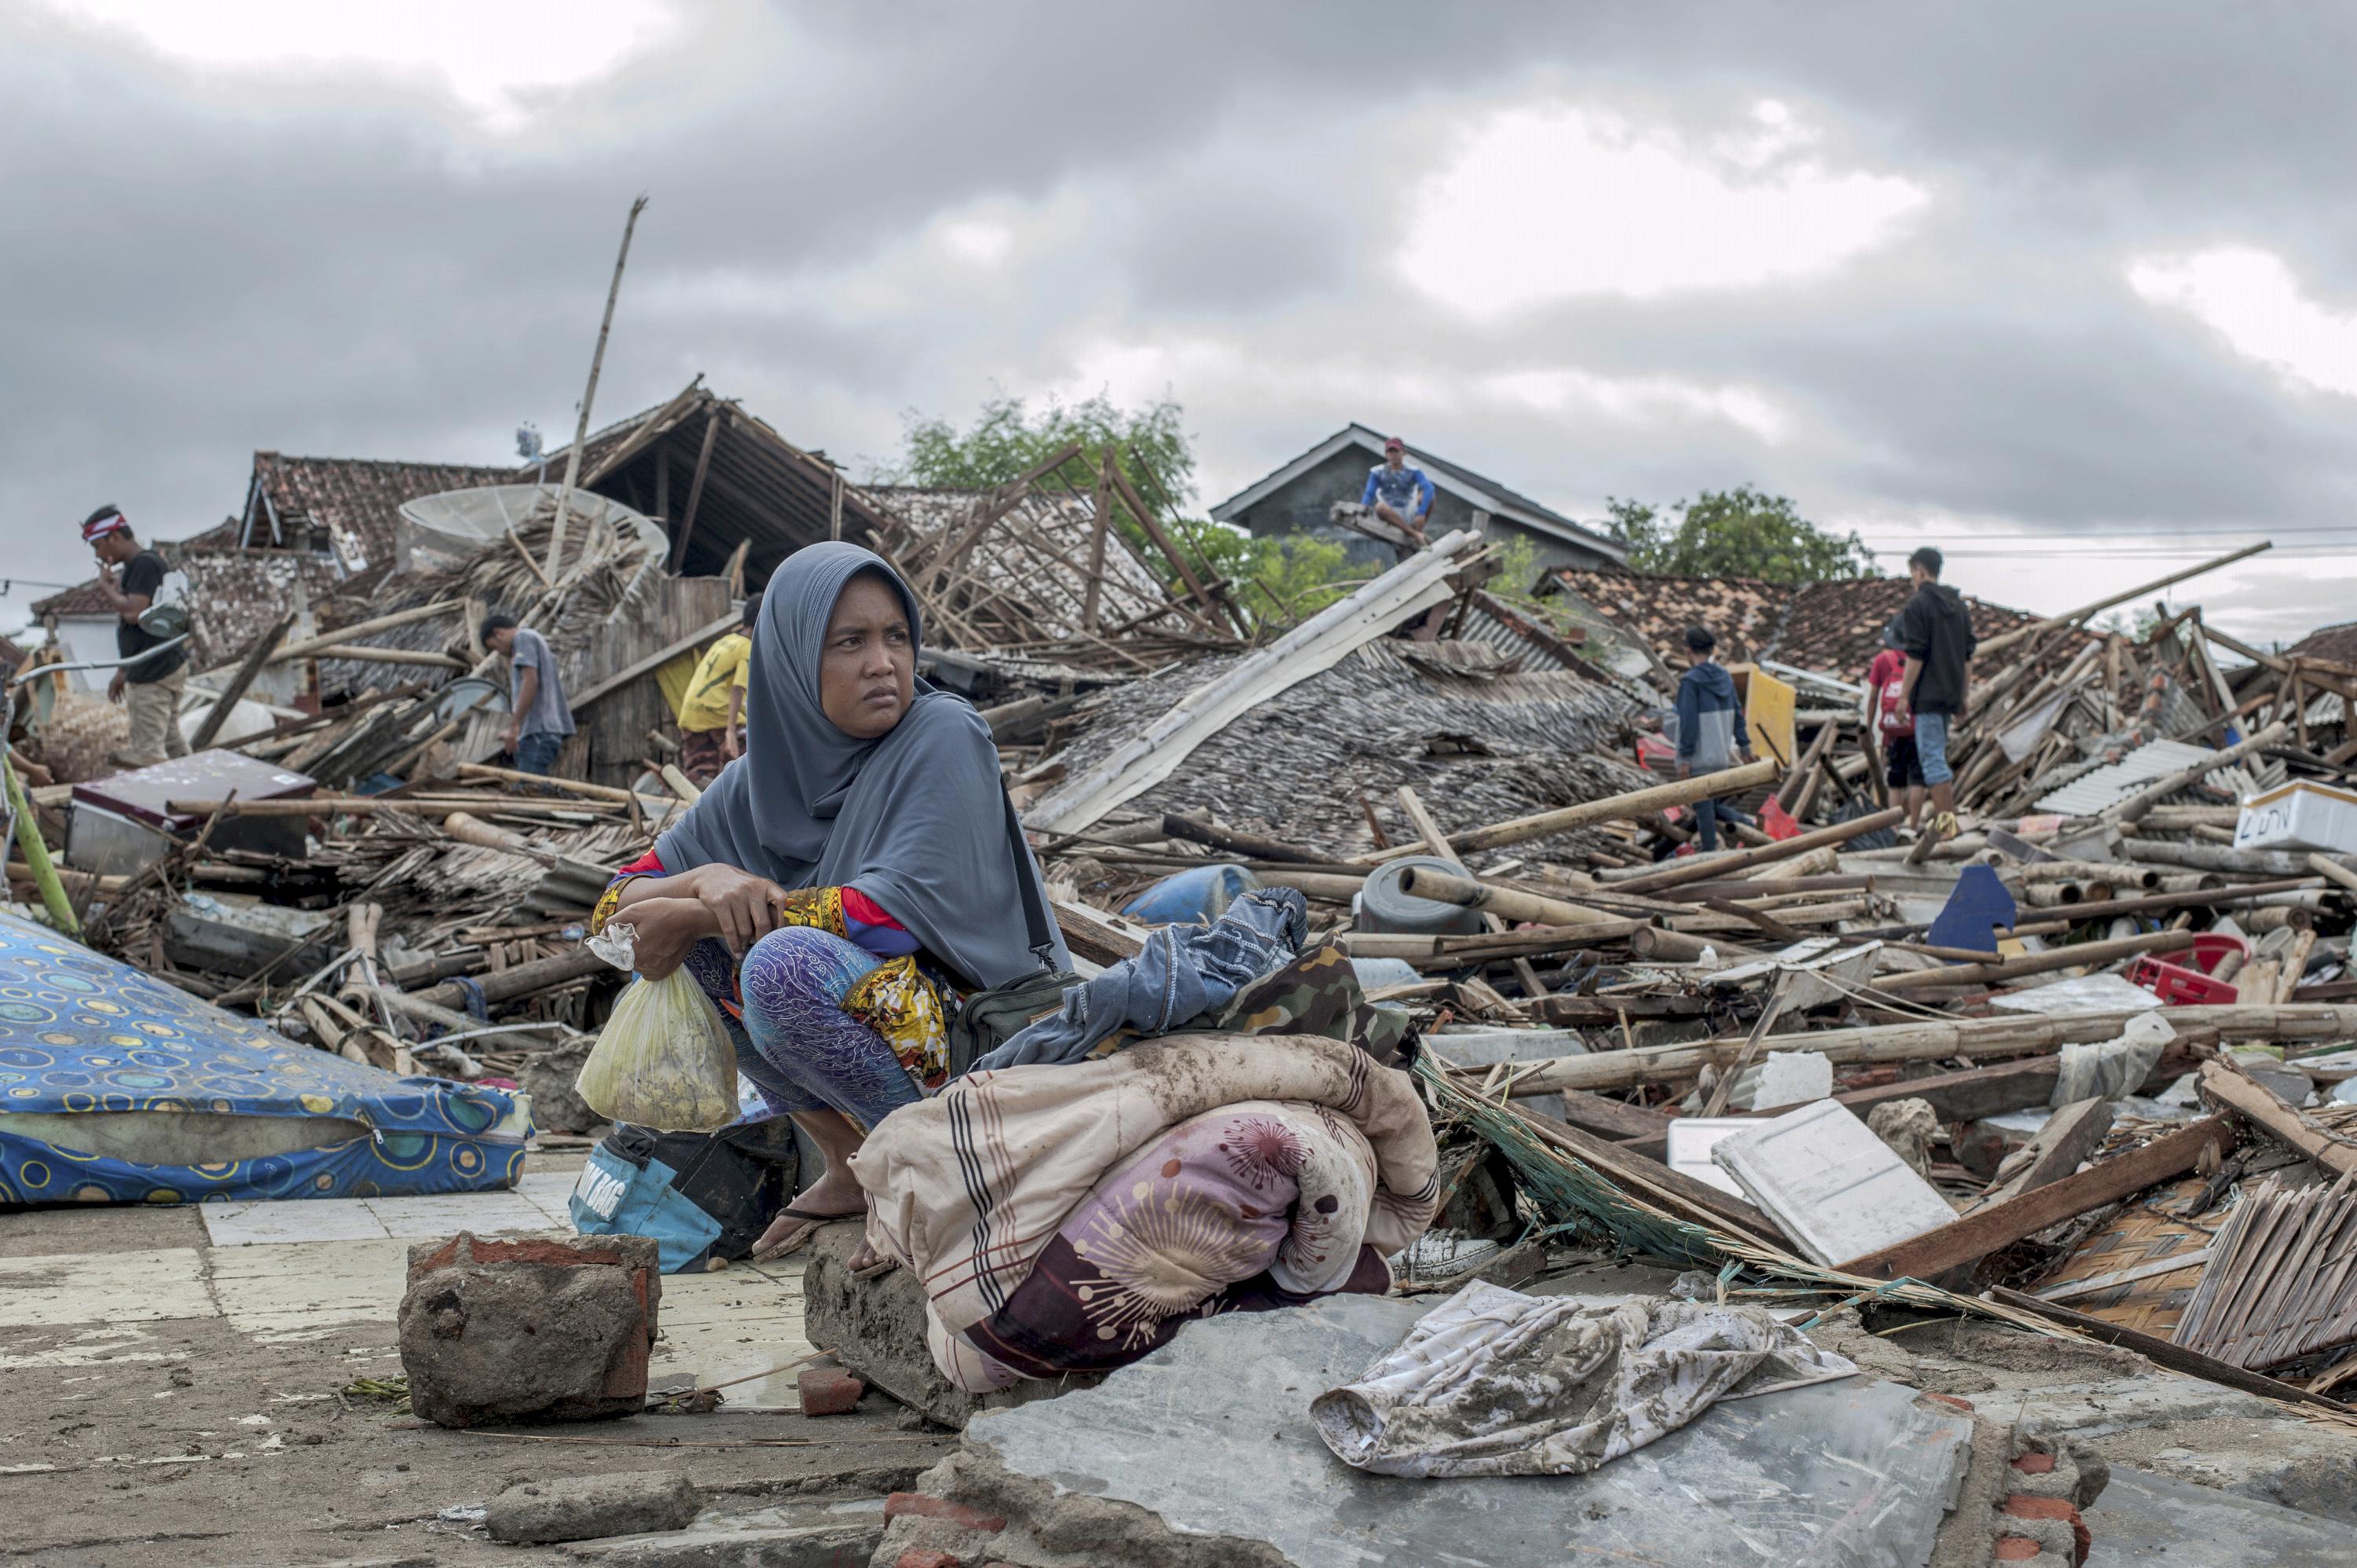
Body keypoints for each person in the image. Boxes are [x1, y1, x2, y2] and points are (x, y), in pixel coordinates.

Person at [591, 542, 1068, 1266]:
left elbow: (888, 918)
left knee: (779, 966)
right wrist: (703, 879)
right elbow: (614, 921)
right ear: (790, 662)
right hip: (893, 1026)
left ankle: (923, 1171)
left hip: (990, 1032)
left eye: (896, 637)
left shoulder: (943, 733)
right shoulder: (755, 782)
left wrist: (693, 910)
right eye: (850, 643)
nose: (883, 663)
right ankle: (850, 1163)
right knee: (687, 957)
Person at [82, 506, 191, 769]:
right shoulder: (143, 565)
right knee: (170, 742)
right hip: (158, 663)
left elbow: (134, 612)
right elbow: (141, 627)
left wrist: (106, 587)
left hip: (153, 670)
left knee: (149, 755)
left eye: (98, 546)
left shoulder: (143, 564)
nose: (98, 554)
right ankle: (201, 787)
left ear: (114, 538)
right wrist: (124, 671)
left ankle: (169, 803)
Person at [1894, 546, 1978, 841]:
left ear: (1920, 570)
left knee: (1932, 760)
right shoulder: (1958, 607)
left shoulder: (1918, 606)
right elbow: (1968, 657)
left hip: (1928, 696)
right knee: (1935, 756)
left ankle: (1947, 828)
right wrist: (1963, 696)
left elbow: (1915, 654)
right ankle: (1948, 825)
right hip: (1950, 693)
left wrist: (1904, 696)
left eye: (1912, 573)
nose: (1912, 579)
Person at [1673, 625, 1755, 852]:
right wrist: (1745, 747)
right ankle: (1748, 825)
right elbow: (1738, 714)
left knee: (1704, 811)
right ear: (1712, 649)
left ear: (1688, 650)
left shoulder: (1691, 682)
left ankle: (1709, 856)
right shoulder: (1725, 677)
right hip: (1720, 757)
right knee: (1708, 805)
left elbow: (1688, 723)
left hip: (1699, 758)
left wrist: (1685, 758)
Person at [676, 592, 757, 785]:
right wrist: (730, 730)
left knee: (701, 771)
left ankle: (702, 803)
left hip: (691, 713)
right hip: (717, 712)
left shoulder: (725, 641)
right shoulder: (746, 647)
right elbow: (738, 688)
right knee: (751, 761)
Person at [480, 613, 575, 776]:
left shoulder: (524, 638)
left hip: (539, 732)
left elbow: (530, 681)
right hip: (540, 732)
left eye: (495, 647)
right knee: (534, 791)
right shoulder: (530, 641)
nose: (500, 652)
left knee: (528, 790)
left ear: (498, 633)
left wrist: (514, 725)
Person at [1864, 619, 1925, 831]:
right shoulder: (1919, 659)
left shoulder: (1883, 660)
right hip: (1917, 728)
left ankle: (1894, 827)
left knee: (1895, 781)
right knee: (1918, 780)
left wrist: (1870, 727)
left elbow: (1873, 697)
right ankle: (1915, 825)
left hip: (1893, 731)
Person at [1360, 436, 1436, 543]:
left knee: (1429, 497)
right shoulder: (1378, 472)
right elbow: (1369, 493)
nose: (1393, 455)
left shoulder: (1413, 470)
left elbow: (1428, 488)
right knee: (1379, 507)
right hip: (1389, 513)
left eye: (1396, 451)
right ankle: (1415, 534)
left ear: (1403, 452)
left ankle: (1418, 531)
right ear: (1386, 454)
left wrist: (1421, 513)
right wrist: (1362, 508)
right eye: (1390, 452)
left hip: (1408, 509)